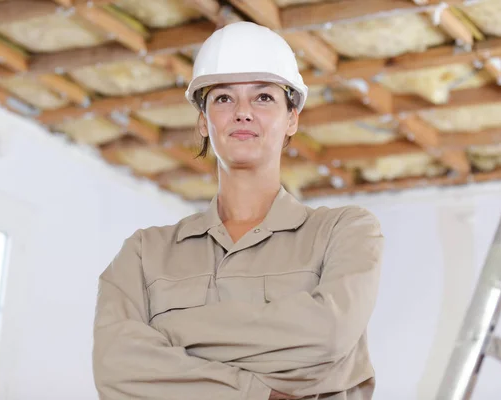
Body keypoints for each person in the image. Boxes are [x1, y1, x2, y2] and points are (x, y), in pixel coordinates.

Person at [92, 21, 384, 400]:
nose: (243, 112)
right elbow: (115, 365)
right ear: (203, 120)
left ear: (292, 118)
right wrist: (256, 392)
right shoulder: (144, 253)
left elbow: (329, 336)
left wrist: (171, 338)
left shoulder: (344, 232)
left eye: (263, 97)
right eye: (223, 98)